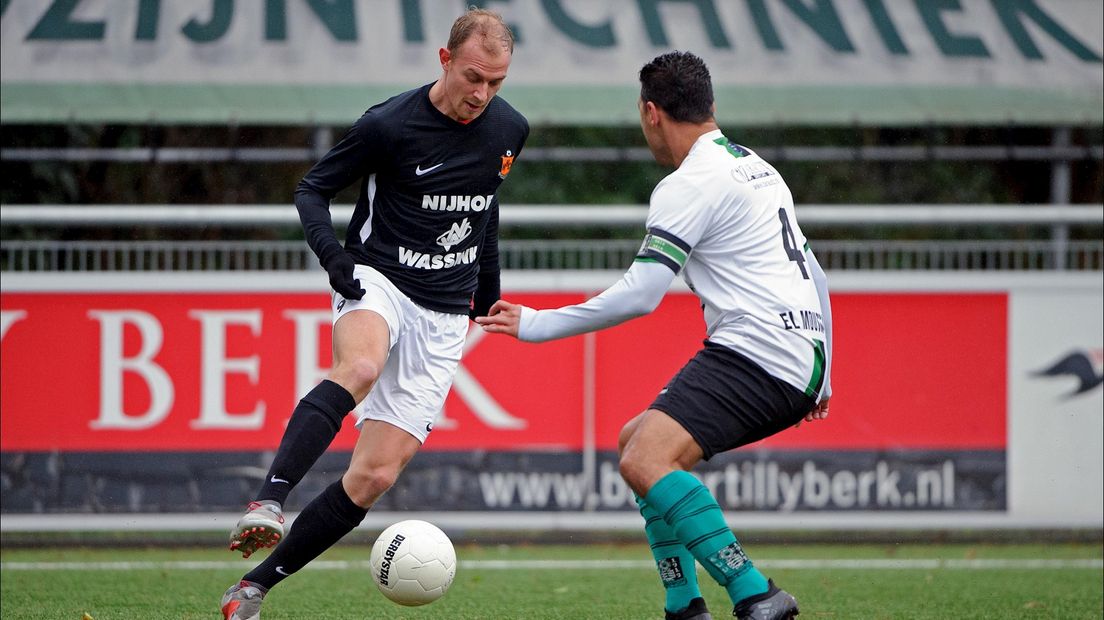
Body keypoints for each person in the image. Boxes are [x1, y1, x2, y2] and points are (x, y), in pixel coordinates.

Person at [476, 50, 831, 620]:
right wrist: (825, 369)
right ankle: (683, 605)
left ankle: (756, 594)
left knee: (645, 460)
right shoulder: (759, 167)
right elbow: (814, 272)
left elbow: (641, 295)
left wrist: (537, 324)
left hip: (757, 349)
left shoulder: (688, 183)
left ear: (650, 112)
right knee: (633, 440)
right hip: (798, 354)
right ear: (709, 105)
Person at [219, 8, 528, 619]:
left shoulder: (509, 129)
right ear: (445, 59)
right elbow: (312, 188)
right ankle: (267, 502)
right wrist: (333, 258)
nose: (482, 95)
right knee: (359, 365)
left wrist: (488, 286)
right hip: (379, 277)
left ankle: (252, 588)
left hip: (444, 310)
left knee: (375, 476)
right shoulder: (389, 124)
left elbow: (484, 207)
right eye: (473, 77)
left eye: (496, 82)